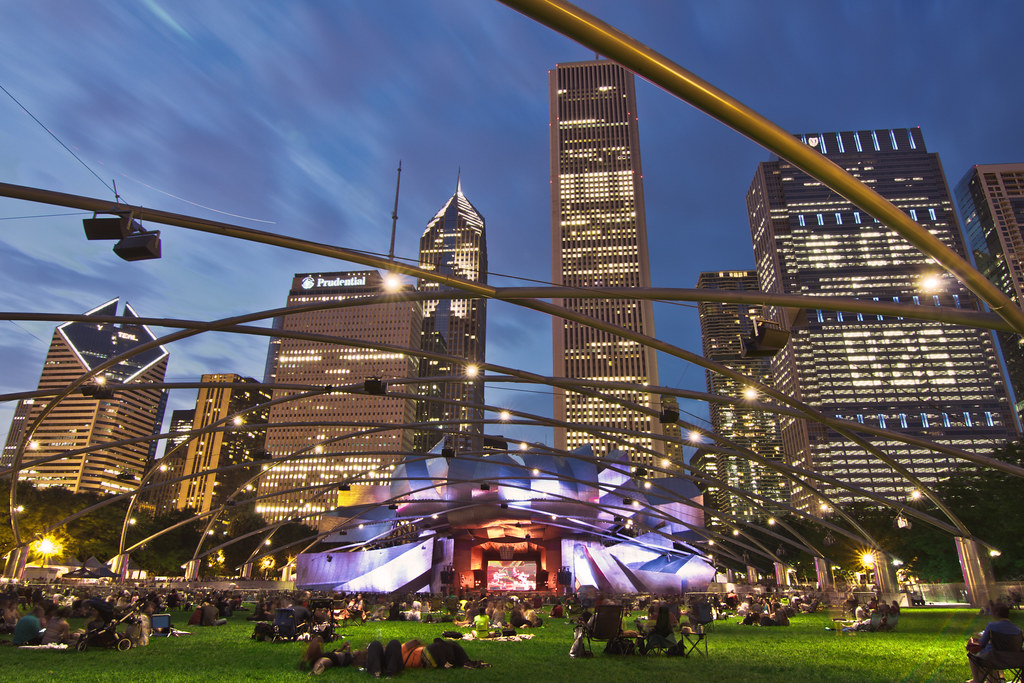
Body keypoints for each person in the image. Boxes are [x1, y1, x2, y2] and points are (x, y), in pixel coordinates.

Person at [967, 603, 1023, 683]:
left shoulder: (991, 626)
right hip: (1014, 660)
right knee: (989, 653)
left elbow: (981, 643)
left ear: (997, 614)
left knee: (972, 654)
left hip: (995, 659)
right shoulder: (1018, 630)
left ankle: (977, 680)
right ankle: (991, 680)